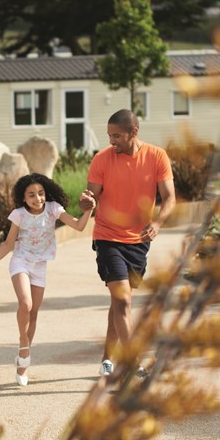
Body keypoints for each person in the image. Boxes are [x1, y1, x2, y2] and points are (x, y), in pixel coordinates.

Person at [83, 109, 176, 378]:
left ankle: (107, 358)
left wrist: (157, 223)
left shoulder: (157, 156)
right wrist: (87, 202)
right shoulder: (102, 160)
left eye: (117, 136)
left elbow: (169, 198)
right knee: (123, 301)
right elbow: (90, 196)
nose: (112, 141)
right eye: (109, 135)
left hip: (138, 242)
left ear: (134, 132)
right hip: (107, 236)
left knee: (119, 301)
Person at [0, 173, 95, 386]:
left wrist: (88, 210)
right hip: (21, 262)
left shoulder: (53, 209)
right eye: (31, 195)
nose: (37, 198)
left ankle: (23, 365)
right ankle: (23, 343)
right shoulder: (19, 214)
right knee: (26, 303)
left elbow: (79, 226)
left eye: (41, 194)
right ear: (23, 198)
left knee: (33, 314)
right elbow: (8, 244)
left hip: (40, 266)